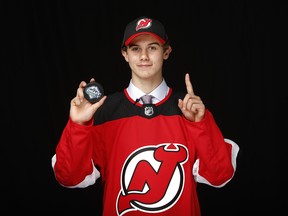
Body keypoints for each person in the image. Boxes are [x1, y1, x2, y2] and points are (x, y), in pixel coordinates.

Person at [51, 16, 240, 216]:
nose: (144, 56)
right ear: (125, 54)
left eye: (152, 47)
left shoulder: (190, 110)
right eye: (135, 49)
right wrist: (78, 124)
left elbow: (220, 176)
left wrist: (201, 125)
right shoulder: (102, 111)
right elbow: (69, 177)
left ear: (166, 52)